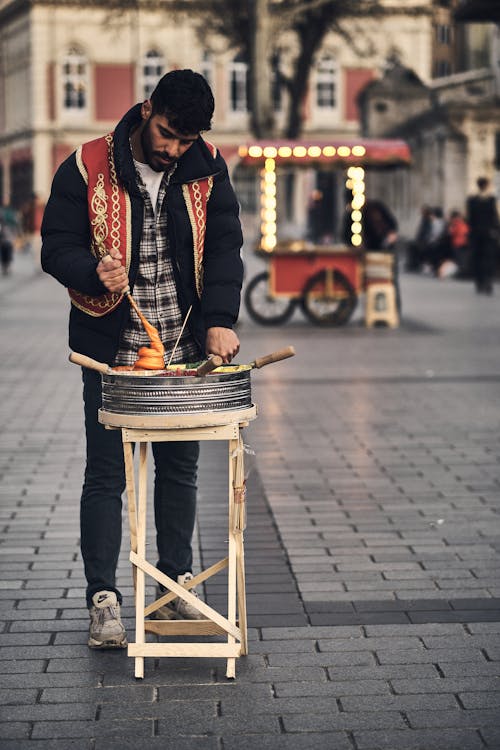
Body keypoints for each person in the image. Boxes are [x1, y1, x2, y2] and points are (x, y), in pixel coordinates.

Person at [41, 69, 243, 648]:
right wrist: (89, 269)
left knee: (180, 472)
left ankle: (178, 592)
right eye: (166, 134)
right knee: (107, 476)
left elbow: (226, 244)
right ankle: (103, 600)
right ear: (147, 108)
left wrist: (221, 321)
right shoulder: (87, 164)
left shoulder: (206, 165)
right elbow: (56, 245)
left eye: (185, 140)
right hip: (112, 352)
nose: (172, 148)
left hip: (182, 352)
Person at [466, 177, 500, 295]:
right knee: (482, 259)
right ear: (485, 185)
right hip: (483, 234)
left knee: (485, 259)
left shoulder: (480, 200)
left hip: (483, 235)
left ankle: (485, 283)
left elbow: (471, 219)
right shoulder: (481, 200)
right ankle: (483, 282)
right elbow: (494, 217)